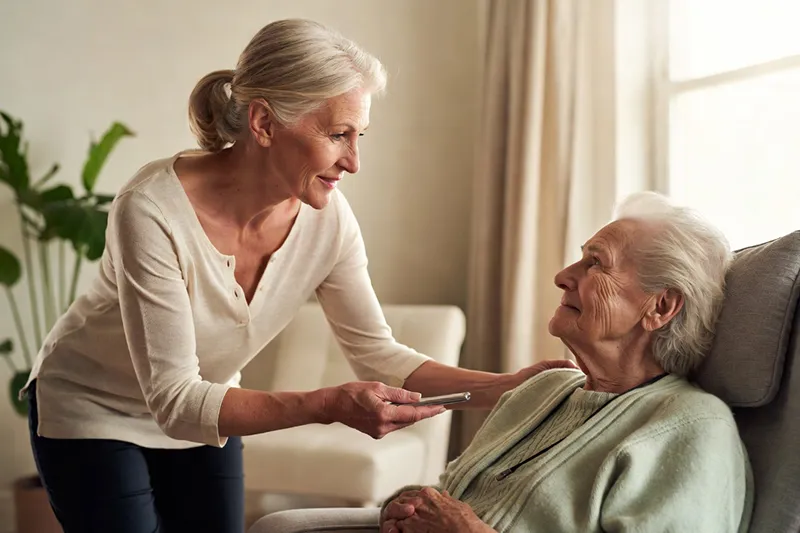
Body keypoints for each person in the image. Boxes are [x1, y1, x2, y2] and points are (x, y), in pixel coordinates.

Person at [21, 18, 573, 533]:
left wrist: (507, 389)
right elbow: (175, 401)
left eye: (361, 136)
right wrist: (327, 404)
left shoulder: (327, 220)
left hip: (206, 411)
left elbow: (379, 356)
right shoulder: (151, 210)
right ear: (263, 123)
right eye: (338, 135)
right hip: (96, 409)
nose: (354, 161)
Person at [380, 192, 754, 533]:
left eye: (595, 263)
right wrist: (408, 505)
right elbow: (453, 493)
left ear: (661, 306)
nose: (562, 277)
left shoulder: (694, 428)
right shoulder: (543, 389)